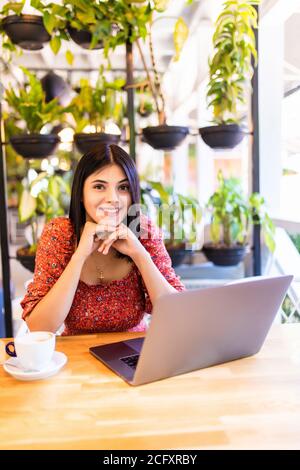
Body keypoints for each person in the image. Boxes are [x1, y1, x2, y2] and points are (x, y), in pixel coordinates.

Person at [21, 144, 186, 335]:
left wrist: (140, 254)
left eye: (123, 187)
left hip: (134, 354)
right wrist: (79, 256)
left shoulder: (143, 231)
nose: (113, 199)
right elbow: (39, 327)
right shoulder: (60, 234)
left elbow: (177, 315)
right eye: (99, 186)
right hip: (78, 357)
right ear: (81, 193)